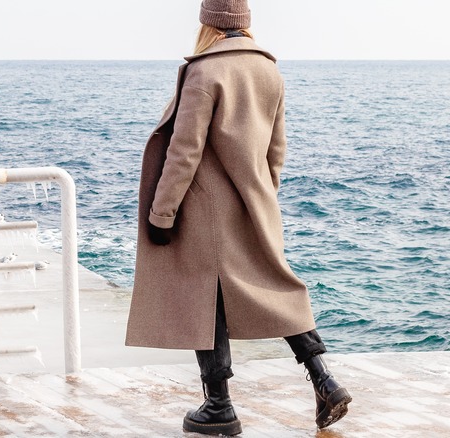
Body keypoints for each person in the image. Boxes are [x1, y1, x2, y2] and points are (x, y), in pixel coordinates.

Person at [125, 0, 352, 435]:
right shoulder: (269, 70)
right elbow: (276, 150)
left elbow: (184, 151)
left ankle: (219, 407)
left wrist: (162, 213)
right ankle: (325, 379)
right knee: (273, 287)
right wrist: (259, 198)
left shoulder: (204, 71)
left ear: (209, 23)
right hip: (254, 203)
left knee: (204, 299)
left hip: (205, 211)